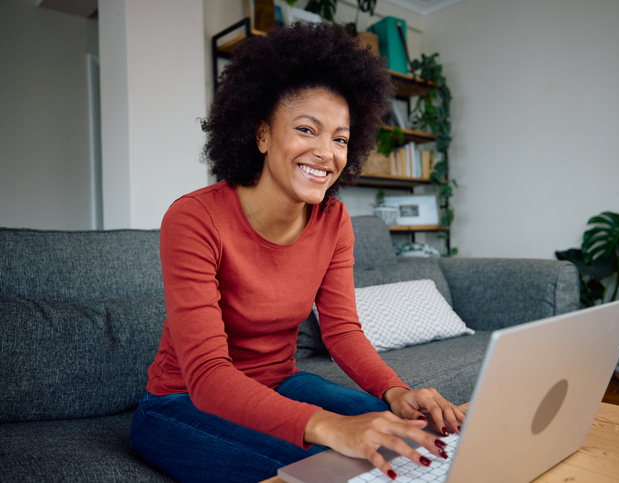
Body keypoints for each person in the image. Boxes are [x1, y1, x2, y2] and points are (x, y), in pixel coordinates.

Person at [129, 22, 465, 483]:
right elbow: (207, 375)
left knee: (410, 435)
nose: (326, 152)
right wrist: (333, 429)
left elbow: (342, 331)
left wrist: (395, 390)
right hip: (179, 402)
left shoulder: (334, 220)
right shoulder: (194, 219)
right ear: (262, 134)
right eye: (307, 129)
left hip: (281, 382)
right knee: (330, 467)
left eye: (340, 138)